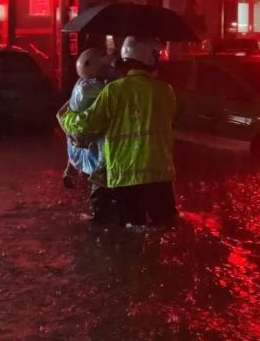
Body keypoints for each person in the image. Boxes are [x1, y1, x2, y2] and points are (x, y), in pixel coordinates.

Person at [59, 36, 178, 227]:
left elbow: (87, 123)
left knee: (131, 232)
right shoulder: (166, 91)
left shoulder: (114, 91)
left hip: (126, 178)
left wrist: (67, 117)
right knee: (164, 228)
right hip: (162, 178)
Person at [62, 48, 111, 189]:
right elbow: (111, 91)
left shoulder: (81, 83)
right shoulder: (89, 88)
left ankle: (70, 173)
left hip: (78, 133)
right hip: (87, 132)